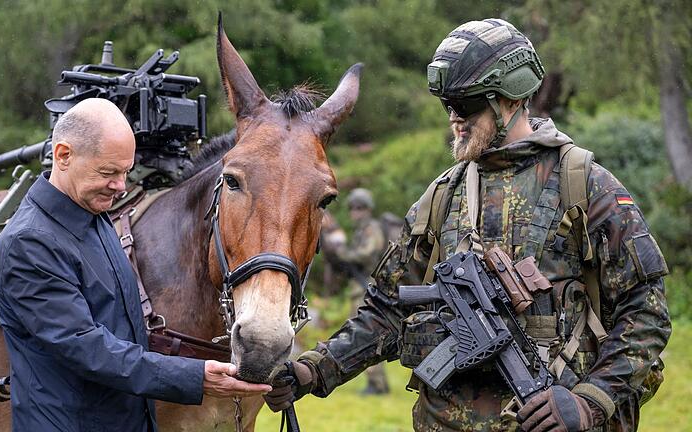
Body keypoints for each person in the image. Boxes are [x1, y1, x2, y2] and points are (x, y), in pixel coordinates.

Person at [265, 19, 671, 432]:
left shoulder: (585, 186)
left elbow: (647, 312)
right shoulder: (441, 197)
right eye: (448, 105)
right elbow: (387, 310)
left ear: (510, 100)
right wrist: (314, 370)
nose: (455, 118)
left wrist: (592, 399)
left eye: (468, 103)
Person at [0, 98, 270, 432]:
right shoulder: (29, 243)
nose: (120, 186)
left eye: (125, 172)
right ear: (64, 155)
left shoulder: (93, 215)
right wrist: (195, 377)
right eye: (108, 172)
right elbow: (87, 348)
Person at [321, 188, 390, 395]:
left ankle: (376, 384)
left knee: (364, 334)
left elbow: (368, 252)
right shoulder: (362, 229)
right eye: (352, 208)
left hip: (366, 287)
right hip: (360, 288)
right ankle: (378, 383)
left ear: (366, 209)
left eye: (358, 208)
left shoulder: (371, 228)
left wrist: (343, 253)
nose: (354, 213)